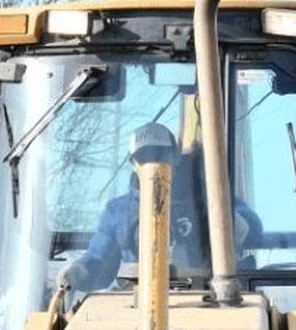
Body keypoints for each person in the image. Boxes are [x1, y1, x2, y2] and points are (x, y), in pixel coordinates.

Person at [59, 122, 261, 293]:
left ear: (175, 156)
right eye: (144, 158)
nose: (153, 163)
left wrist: (240, 223)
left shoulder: (209, 197)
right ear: (133, 163)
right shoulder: (118, 212)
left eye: (160, 154)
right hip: (138, 302)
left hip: (209, 296)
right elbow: (98, 261)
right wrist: (79, 272)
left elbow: (250, 225)